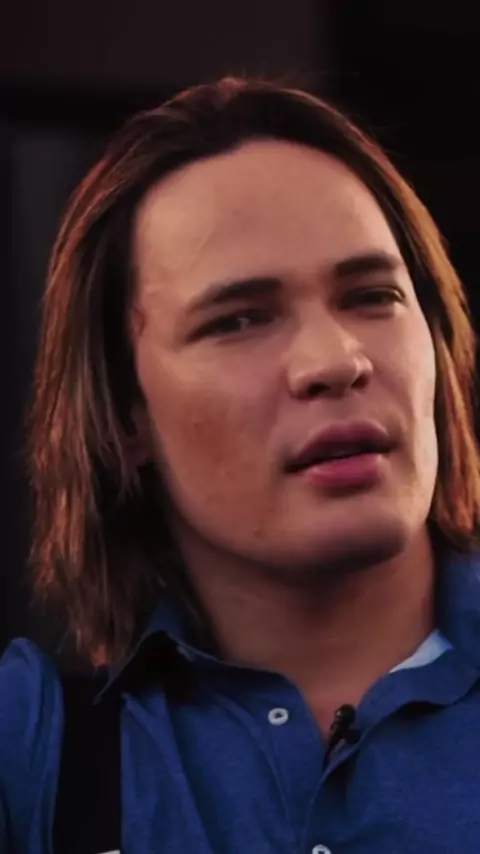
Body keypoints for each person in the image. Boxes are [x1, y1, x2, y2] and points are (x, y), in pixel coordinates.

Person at [1, 75, 480, 854]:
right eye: (239, 320)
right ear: (123, 415)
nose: (336, 361)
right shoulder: (36, 753)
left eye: (372, 296)